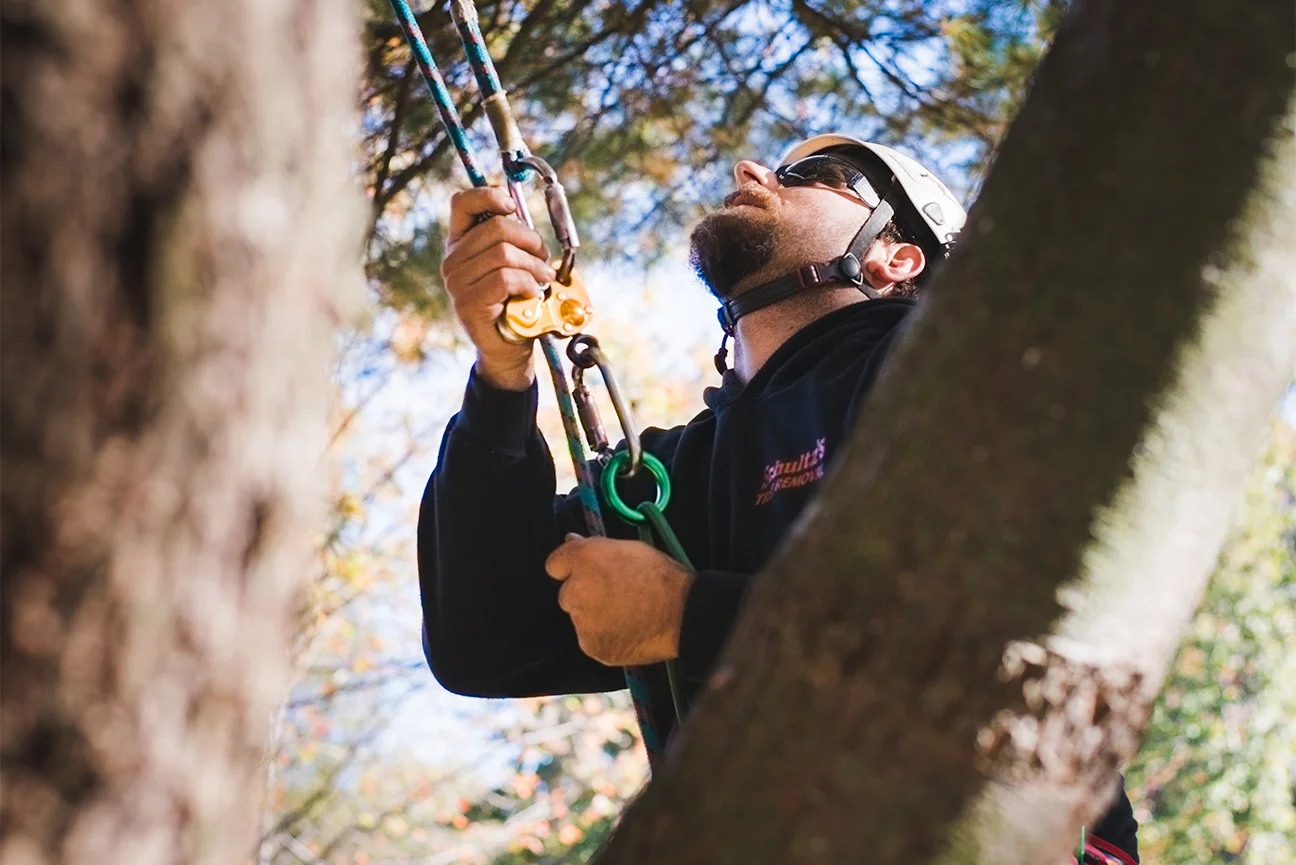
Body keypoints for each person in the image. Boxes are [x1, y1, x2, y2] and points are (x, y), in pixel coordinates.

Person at [417, 134, 1139, 861]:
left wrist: (687, 614)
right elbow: (484, 639)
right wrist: (500, 378)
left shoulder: (958, 371)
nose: (752, 171)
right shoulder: (673, 476)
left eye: (815, 175)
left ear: (899, 256)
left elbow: (989, 652)